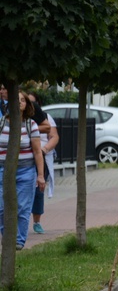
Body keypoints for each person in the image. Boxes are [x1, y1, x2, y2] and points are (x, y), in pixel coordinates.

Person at [0, 91, 46, 250]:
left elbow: (37, 151)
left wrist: (40, 176)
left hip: (26, 171)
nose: (19, 102)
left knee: (22, 208)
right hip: (2, 170)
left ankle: (18, 241)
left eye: (22, 100)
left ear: (26, 104)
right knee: (1, 207)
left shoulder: (30, 124)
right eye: (16, 99)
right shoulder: (1, 123)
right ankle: (7, 237)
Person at [27, 93, 59, 234]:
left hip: (40, 156)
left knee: (38, 190)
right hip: (23, 157)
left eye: (32, 103)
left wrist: (44, 149)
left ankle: (37, 221)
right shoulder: (17, 118)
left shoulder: (45, 117)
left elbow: (54, 136)